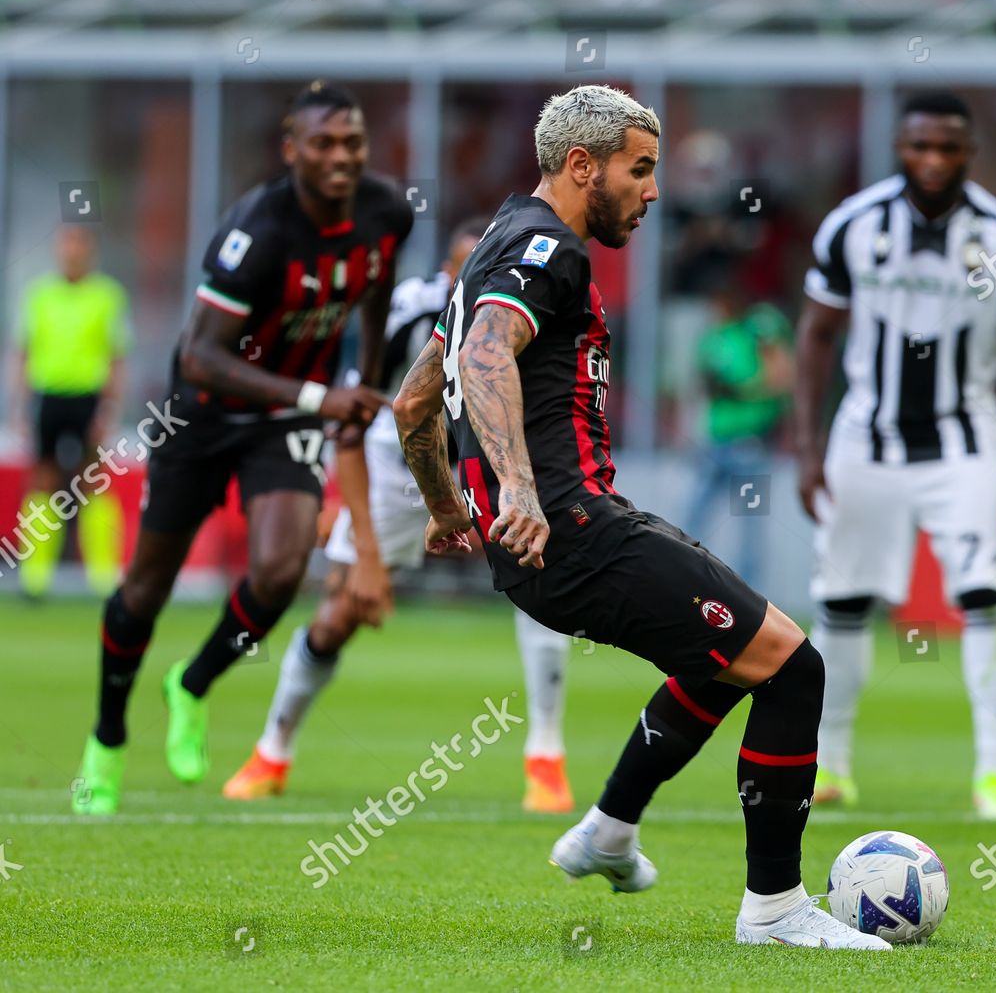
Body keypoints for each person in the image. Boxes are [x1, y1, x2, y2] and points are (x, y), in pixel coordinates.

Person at [394, 84, 886, 950]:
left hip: (568, 532)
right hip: (572, 529)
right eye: (641, 168)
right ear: (582, 167)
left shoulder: (489, 251)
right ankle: (775, 911)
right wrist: (514, 489)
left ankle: (610, 830)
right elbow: (481, 356)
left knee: (729, 655)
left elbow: (412, 403)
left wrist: (447, 507)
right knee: (792, 668)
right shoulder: (550, 248)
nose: (653, 191)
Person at [70, 81, 413, 815]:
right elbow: (199, 354)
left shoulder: (387, 212)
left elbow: (377, 297)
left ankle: (192, 683)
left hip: (283, 419)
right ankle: (106, 739)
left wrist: (367, 385)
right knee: (146, 589)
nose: (340, 157)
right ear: (291, 150)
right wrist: (325, 398)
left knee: (283, 569)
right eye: (322, 143)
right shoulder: (257, 231)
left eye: (351, 142)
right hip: (204, 415)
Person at [221, 218, 577, 812]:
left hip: (492, 458)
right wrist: (365, 552)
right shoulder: (406, 316)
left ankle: (546, 758)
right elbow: (354, 426)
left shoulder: (532, 303)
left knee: (539, 579)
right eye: (468, 269)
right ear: (447, 275)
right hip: (399, 465)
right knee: (339, 613)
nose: (483, 281)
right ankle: (271, 751)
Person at [792, 91, 996, 821]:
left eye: (948, 148)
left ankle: (995, 776)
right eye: (920, 147)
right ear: (899, 149)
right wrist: (808, 449)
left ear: (970, 153)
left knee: (982, 595)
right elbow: (816, 337)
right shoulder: (853, 225)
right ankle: (833, 765)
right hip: (864, 440)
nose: (933, 161)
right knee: (842, 604)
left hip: (965, 440)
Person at [7, 225, 131, 598]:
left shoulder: (108, 296)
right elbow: (24, 351)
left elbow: (116, 357)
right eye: (67, 245)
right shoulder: (39, 294)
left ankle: (103, 577)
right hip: (48, 394)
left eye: (79, 246)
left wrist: (108, 408)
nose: (72, 253)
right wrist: (20, 406)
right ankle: (36, 578)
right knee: (43, 479)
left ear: (89, 252)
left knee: (93, 480)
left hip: (88, 396)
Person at [683, 279, 794, 588]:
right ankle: (686, 583)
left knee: (750, 526)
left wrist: (745, 392)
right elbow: (704, 384)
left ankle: (751, 597)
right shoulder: (713, 338)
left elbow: (780, 378)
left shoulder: (755, 330)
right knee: (693, 517)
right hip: (715, 442)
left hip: (750, 443)